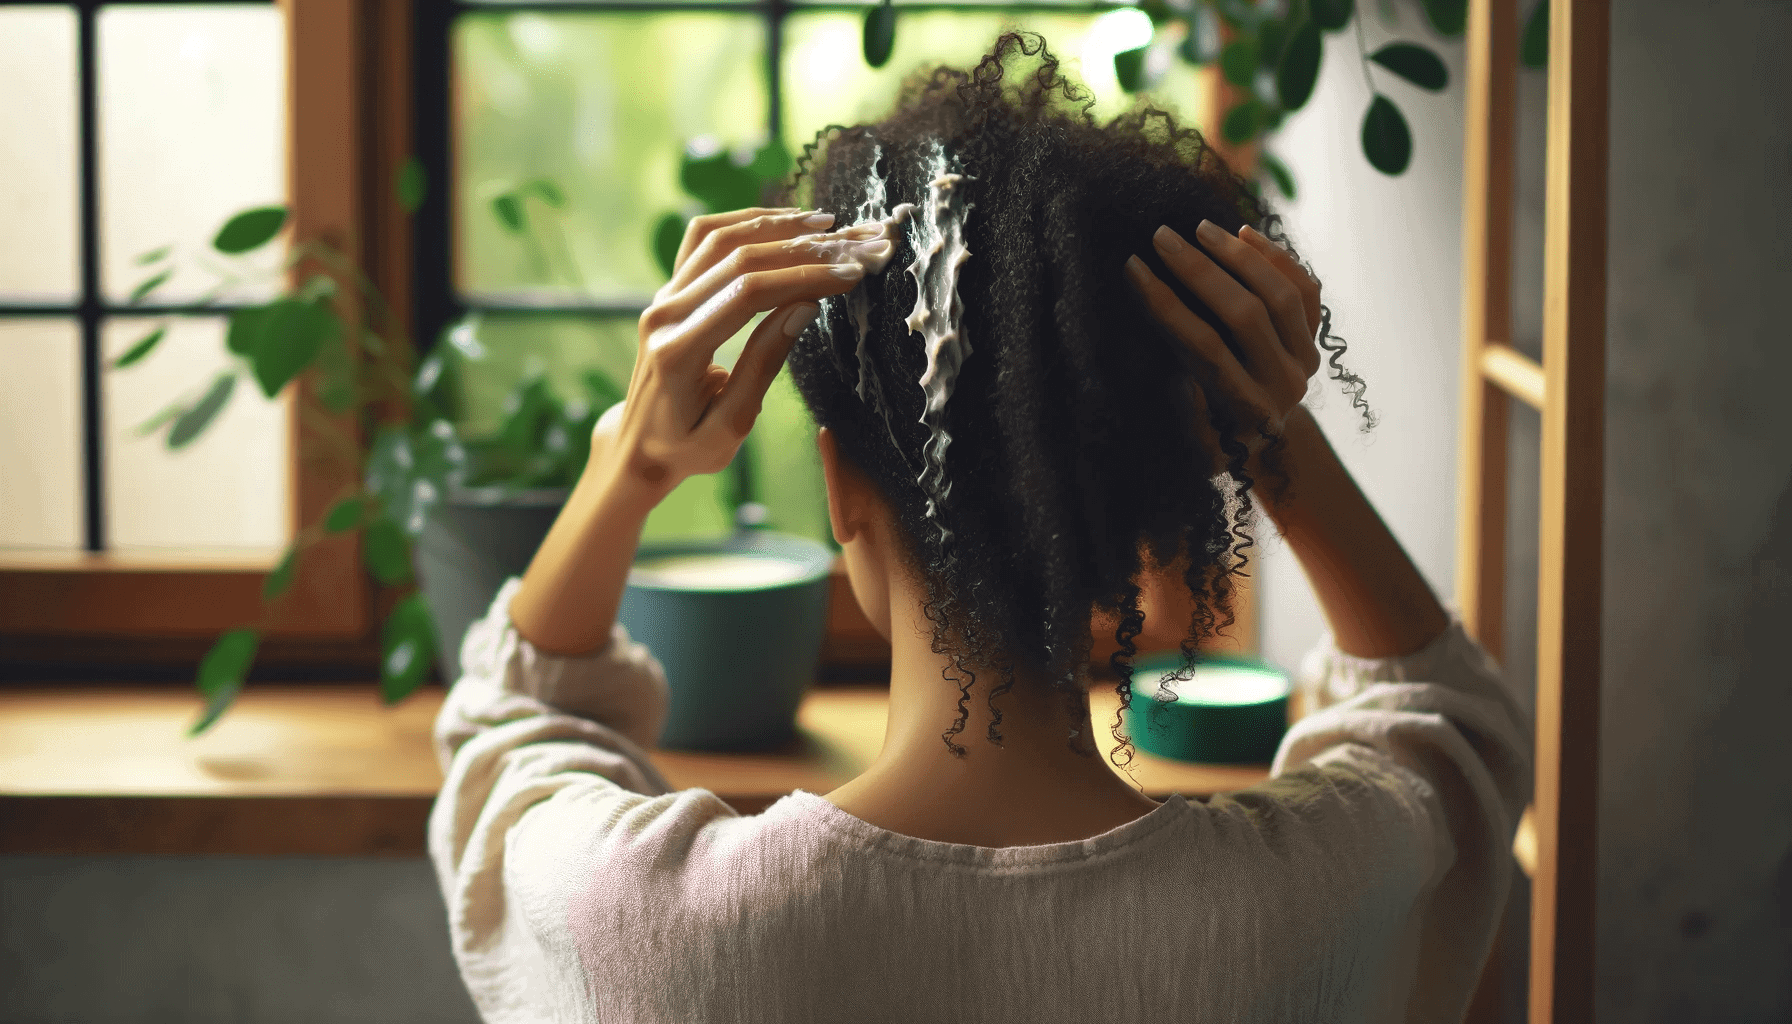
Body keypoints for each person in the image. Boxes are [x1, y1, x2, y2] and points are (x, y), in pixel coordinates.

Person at [429, 33, 1532, 1023]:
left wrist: (628, 467)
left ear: (840, 489)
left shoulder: (645, 922)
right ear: (1156, 504)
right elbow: (1447, 725)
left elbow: (509, 731)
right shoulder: (1311, 900)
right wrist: (1276, 441)